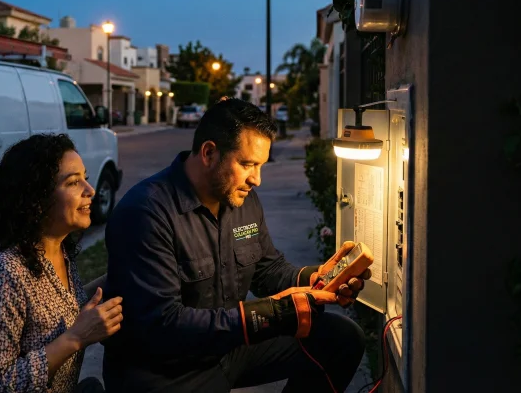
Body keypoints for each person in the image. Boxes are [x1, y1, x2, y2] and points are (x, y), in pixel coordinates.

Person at [102, 98, 369, 393]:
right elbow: (162, 326)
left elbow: (268, 269)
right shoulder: (146, 212)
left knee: (342, 338)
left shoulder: (240, 198)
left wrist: (317, 279)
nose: (257, 179)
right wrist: (268, 314)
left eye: (261, 165)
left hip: (227, 349)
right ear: (209, 153)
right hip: (166, 371)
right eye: (247, 164)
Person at [0, 134, 123, 393]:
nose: (90, 191)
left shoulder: (57, 251)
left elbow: (56, 309)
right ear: (36, 197)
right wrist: (76, 337)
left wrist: (123, 279)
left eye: (85, 178)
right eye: (74, 182)